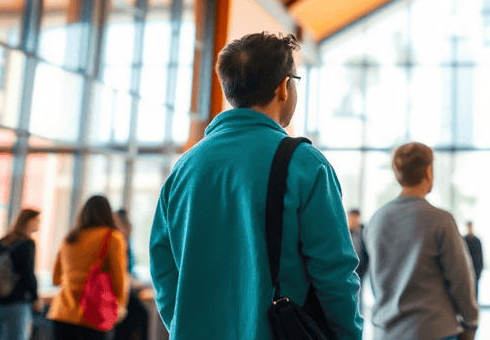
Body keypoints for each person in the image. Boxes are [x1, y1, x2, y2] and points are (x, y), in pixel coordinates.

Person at [150, 32, 361, 340]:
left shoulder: (184, 169)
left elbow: (164, 271)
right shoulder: (305, 165)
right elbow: (335, 276)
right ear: (283, 88)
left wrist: (190, 324)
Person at [366, 142, 478, 340]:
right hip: (434, 330)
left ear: (397, 172)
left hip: (386, 333)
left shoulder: (376, 220)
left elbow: (376, 280)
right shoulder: (440, 220)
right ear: (428, 172)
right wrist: (470, 321)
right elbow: (461, 277)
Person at [49, 196, 129, 340]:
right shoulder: (112, 237)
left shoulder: (69, 238)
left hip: (61, 313)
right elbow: (120, 278)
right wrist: (121, 306)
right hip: (93, 315)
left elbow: (55, 279)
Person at [0, 209, 42, 340]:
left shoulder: (0, 242)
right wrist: (35, 298)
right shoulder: (28, 243)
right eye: (37, 220)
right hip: (15, 303)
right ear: (28, 221)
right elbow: (28, 274)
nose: (39, 224)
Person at [112, 210, 149, 340]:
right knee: (142, 314)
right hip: (119, 290)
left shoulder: (124, 241)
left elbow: (130, 266)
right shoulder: (117, 239)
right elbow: (122, 271)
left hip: (123, 287)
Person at [348, 209, 369, 303]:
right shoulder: (346, 232)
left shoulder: (365, 232)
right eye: (350, 218)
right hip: (350, 269)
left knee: (360, 293)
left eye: (355, 218)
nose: (353, 221)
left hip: (362, 268)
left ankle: (360, 314)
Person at [463, 222, 483, 302]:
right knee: (466, 291)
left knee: (475, 291)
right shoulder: (463, 239)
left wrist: (480, 270)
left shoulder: (477, 241)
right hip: (466, 270)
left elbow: (480, 257)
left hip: (475, 270)